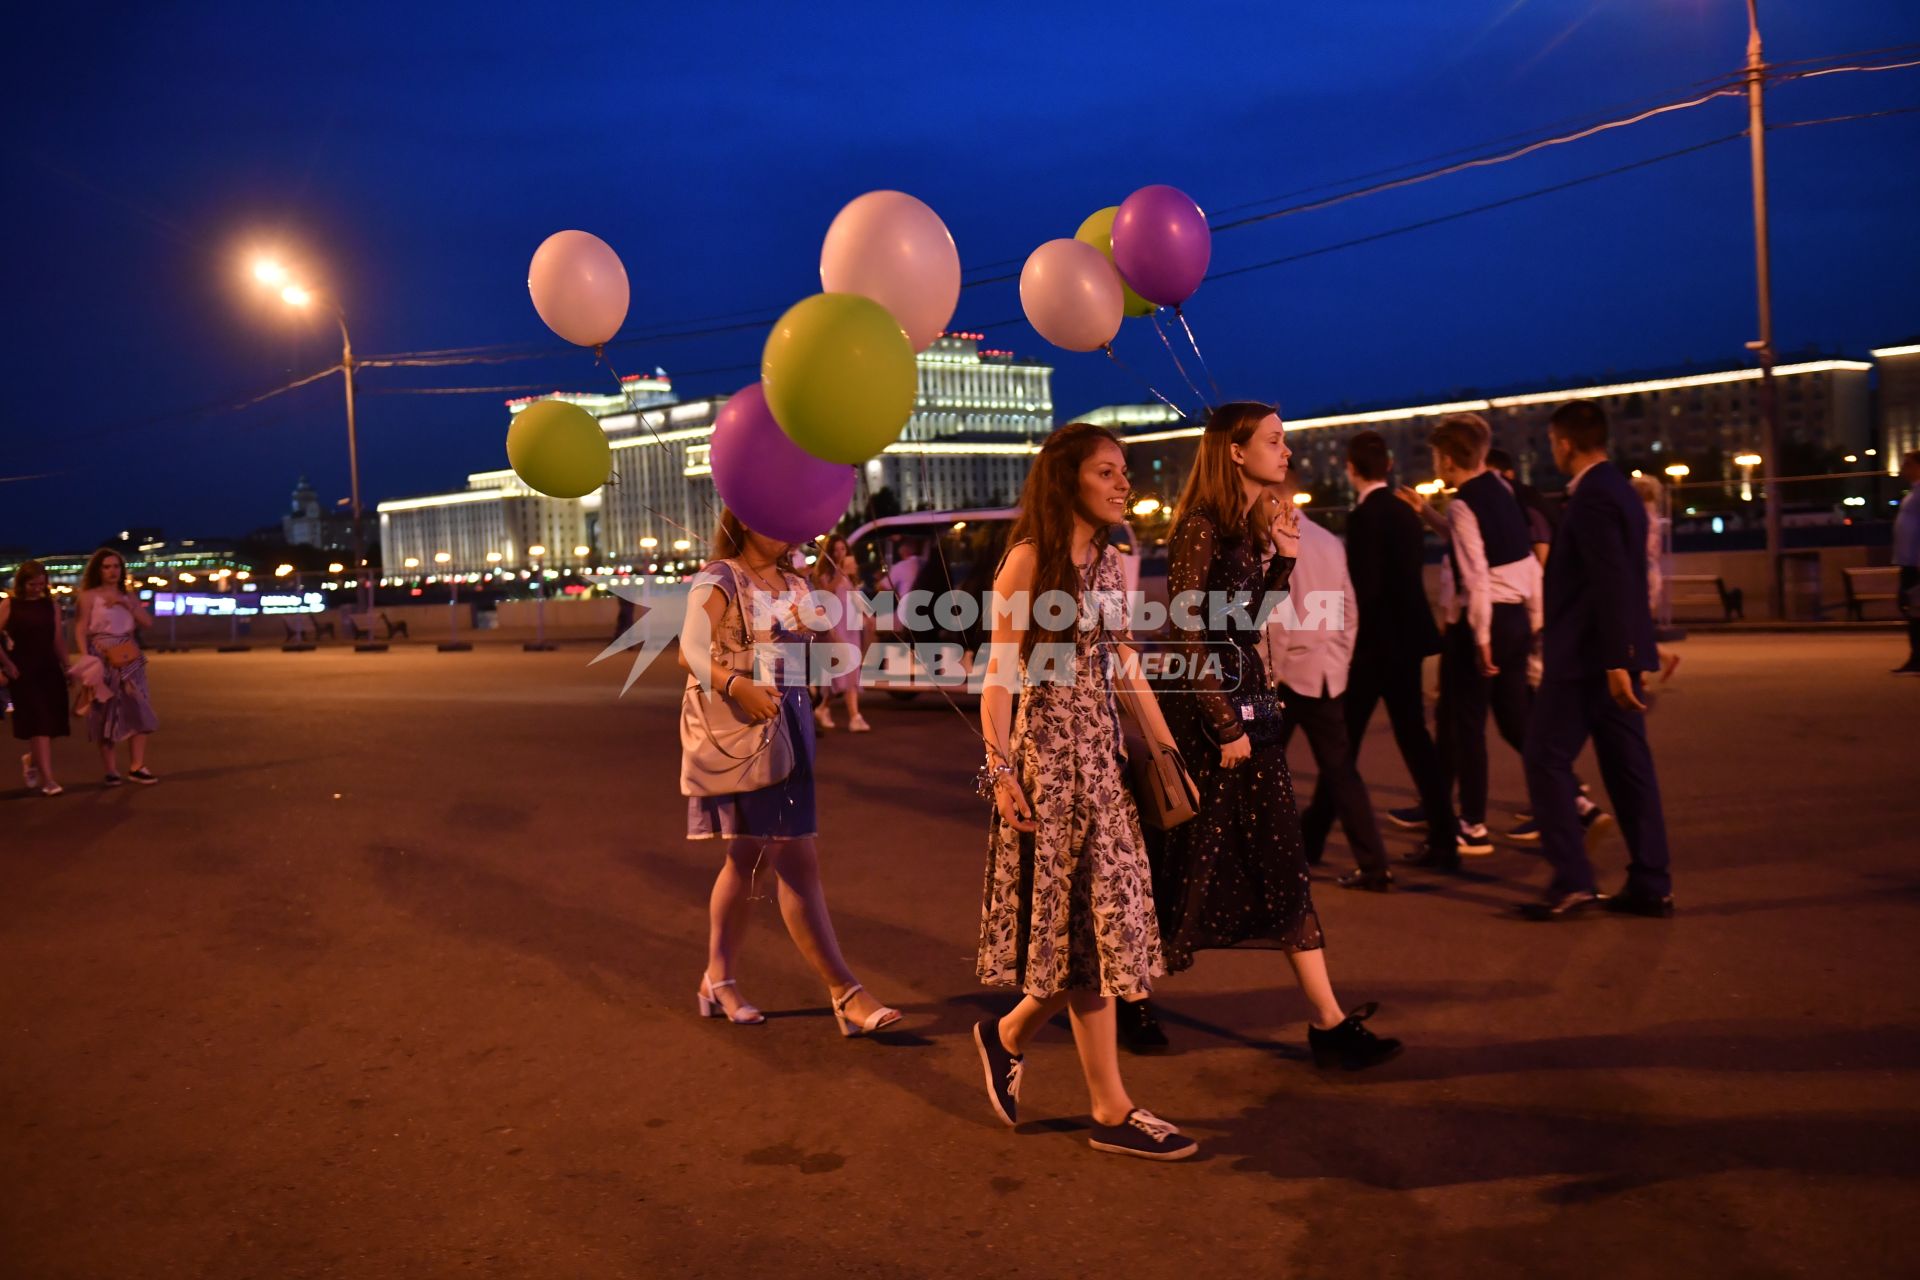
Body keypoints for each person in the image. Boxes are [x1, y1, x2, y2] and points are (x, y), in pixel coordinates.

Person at [1136, 402, 1401, 1070]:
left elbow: (1243, 620)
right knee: (1179, 864)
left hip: (1253, 715)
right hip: (1209, 722)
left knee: (1283, 863)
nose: (1287, 453)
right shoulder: (1200, 527)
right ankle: (1126, 994)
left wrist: (1281, 561)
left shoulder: (1247, 528)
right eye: (1275, 442)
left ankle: (1329, 1022)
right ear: (1234, 450)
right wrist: (1224, 725)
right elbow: (1188, 629)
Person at [972, 422, 1199, 1161]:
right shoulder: (1027, 563)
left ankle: (1007, 1035)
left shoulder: (1108, 562)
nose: (1123, 482)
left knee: (1097, 932)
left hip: (1101, 759)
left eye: (1123, 471)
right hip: (1047, 763)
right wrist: (1001, 773)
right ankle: (1109, 1107)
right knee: (1092, 935)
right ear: (1068, 479)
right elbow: (999, 678)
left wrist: (1165, 752)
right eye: (1108, 471)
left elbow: (1125, 664)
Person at [680, 508, 901, 1036]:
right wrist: (737, 684)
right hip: (748, 728)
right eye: (771, 507)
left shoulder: (799, 585)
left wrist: (844, 613)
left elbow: (839, 663)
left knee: (764, 858)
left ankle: (719, 977)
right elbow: (689, 650)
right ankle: (844, 991)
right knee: (780, 854)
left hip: (792, 730)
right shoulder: (720, 577)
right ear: (744, 517)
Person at [1521, 400, 1674, 920]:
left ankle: (1573, 880)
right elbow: (1626, 579)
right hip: (1612, 654)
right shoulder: (1621, 491)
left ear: (1564, 442)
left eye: (1551, 442)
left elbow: (1608, 579)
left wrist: (1616, 660)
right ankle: (1652, 882)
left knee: (1544, 757)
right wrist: (1631, 653)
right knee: (1630, 767)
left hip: (1587, 659)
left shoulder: (1591, 499)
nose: (1552, 451)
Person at [1321, 431, 1459, 869]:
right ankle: (1444, 837)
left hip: (1374, 646)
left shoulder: (1363, 518)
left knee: (1342, 743)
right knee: (1414, 738)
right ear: (1388, 466)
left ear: (1350, 468)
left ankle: (1313, 835)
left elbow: (1366, 588)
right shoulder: (1404, 510)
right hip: (1408, 640)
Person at [1265, 479, 1394, 892]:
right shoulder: (1328, 540)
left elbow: (1278, 621)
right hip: (1324, 673)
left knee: (1262, 773)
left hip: (1286, 677)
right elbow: (1348, 610)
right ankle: (1375, 864)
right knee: (1342, 774)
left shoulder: (1273, 546)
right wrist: (1338, 662)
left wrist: (1273, 673)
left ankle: (1266, 863)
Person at [1423, 415, 1543, 856]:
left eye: (1436, 456)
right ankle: (1569, 801)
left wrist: (1481, 638)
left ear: (1448, 459)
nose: (1435, 462)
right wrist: (1534, 621)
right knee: (1516, 719)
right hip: (1517, 618)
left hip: (1485, 624)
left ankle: (1472, 824)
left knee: (1467, 726)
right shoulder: (1501, 489)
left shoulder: (1463, 503)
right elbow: (1525, 561)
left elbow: (1475, 577)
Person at [73, 547, 159, 785]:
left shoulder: (128, 596)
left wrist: (124, 603)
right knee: (104, 708)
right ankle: (111, 770)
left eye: (116, 566)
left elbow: (147, 622)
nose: (112, 571)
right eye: (107, 567)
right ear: (98, 570)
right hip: (101, 654)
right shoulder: (88, 596)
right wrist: (84, 656)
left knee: (139, 705)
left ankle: (137, 766)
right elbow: (80, 627)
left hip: (129, 654)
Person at [0, 560, 73, 796]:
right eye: (32, 584)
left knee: (51, 725)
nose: (37, 588)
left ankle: (32, 761)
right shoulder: (9, 604)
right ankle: (49, 780)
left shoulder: (50, 606)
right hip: (23, 671)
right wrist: (8, 664)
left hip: (49, 669)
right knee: (39, 724)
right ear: (22, 582)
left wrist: (68, 666)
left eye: (41, 584)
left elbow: (57, 641)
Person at [809, 534, 871, 732]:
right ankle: (854, 717)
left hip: (851, 626)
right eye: (835, 550)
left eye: (842, 549)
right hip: (836, 627)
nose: (839, 553)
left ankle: (824, 708)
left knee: (849, 672)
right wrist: (840, 573)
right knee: (841, 671)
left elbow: (856, 596)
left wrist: (868, 615)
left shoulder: (851, 574)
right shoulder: (826, 573)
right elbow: (827, 593)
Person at [1487, 448, 1558, 565]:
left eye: (1490, 478)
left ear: (1509, 475)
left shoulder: (1526, 505)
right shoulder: (1510, 504)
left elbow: (1541, 557)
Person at [1892, 450, 1920, 676]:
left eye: (1908, 463)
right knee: (1912, 610)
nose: (1903, 468)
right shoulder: (1914, 492)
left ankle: (1918, 658)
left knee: (1916, 610)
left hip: (1916, 562)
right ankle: (1916, 657)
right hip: (1909, 560)